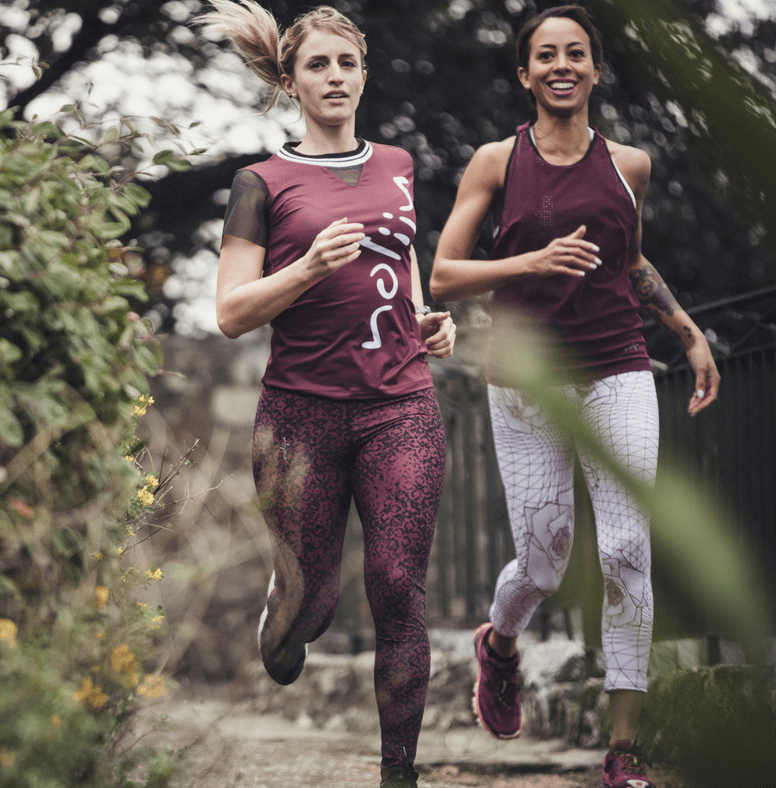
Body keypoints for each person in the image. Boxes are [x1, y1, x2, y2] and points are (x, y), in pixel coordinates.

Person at [430, 6, 719, 788]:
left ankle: (623, 752)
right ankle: (499, 644)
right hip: (527, 383)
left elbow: (629, 259)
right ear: (525, 74)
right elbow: (444, 275)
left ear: (594, 69)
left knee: (627, 550)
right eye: (546, 55)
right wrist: (528, 263)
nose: (562, 65)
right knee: (545, 561)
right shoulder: (496, 162)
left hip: (618, 368)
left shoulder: (629, 166)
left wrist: (687, 330)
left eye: (577, 53)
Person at [195, 3, 456, 786]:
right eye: (318, 65)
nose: (335, 77)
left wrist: (425, 319)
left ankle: (398, 773)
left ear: (364, 76)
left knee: (398, 586)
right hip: (299, 416)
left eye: (347, 63)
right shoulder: (261, 184)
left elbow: (402, 264)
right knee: (312, 608)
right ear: (291, 81)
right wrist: (308, 267)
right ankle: (287, 614)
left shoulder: (398, 164)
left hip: (400, 406)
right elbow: (231, 313)